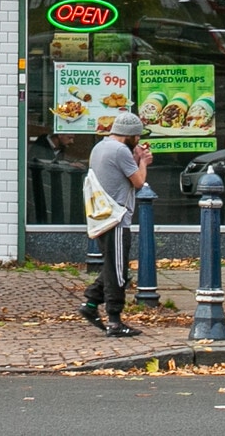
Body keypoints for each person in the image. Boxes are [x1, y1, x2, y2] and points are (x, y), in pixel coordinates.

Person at [82, 111, 152, 337]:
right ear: (129, 135)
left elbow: (116, 174)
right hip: (117, 217)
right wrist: (143, 161)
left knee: (112, 266)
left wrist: (134, 157)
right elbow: (139, 182)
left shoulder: (100, 147)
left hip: (102, 217)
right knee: (118, 272)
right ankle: (115, 321)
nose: (139, 141)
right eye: (137, 137)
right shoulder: (121, 150)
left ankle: (91, 304)